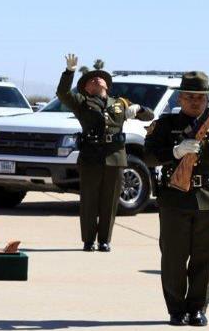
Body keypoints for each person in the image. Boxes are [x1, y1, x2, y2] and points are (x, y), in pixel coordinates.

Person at [144, 71, 209, 327]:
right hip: (175, 198)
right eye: (189, 96)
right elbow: (149, 156)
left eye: (200, 97)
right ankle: (176, 309)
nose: (195, 101)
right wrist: (175, 151)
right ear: (180, 97)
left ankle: (197, 309)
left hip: (208, 198)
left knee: (204, 258)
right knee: (174, 257)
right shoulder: (166, 124)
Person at [57, 54, 153, 253]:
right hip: (91, 156)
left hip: (115, 156)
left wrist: (139, 109)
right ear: (86, 89)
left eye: (100, 78)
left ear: (107, 85)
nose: (96, 79)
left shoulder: (120, 103)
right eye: (91, 80)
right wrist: (69, 72)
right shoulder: (82, 103)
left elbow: (150, 115)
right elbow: (62, 93)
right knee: (89, 200)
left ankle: (104, 240)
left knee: (109, 202)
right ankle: (88, 240)